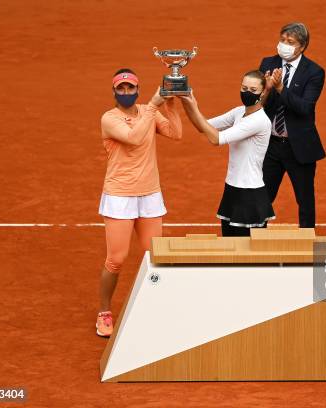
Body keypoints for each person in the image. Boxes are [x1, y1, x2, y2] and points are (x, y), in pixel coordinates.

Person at [96, 68, 182, 337]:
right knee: (116, 259)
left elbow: (176, 133)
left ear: (137, 90)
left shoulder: (149, 111)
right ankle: (104, 312)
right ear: (114, 92)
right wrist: (154, 105)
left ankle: (153, 307)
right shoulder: (109, 118)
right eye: (120, 89)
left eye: (130, 88)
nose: (125, 93)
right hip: (120, 195)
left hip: (149, 195)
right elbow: (133, 138)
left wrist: (170, 103)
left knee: (153, 255)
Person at [179, 70, 274, 236]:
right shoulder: (239, 112)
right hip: (233, 188)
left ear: (263, 91)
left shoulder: (259, 121)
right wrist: (187, 102)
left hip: (249, 193)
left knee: (249, 256)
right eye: (244, 88)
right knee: (230, 248)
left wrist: (194, 107)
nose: (246, 93)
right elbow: (202, 126)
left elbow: (216, 139)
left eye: (253, 90)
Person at [259, 22, 326, 228]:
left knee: (305, 200)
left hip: (299, 147)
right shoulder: (267, 63)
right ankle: (254, 240)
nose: (284, 45)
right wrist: (268, 90)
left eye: (291, 42)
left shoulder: (314, 72)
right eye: (282, 40)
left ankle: (307, 245)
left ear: (302, 46)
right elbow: (257, 101)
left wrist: (280, 88)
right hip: (270, 145)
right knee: (261, 198)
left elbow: (305, 108)